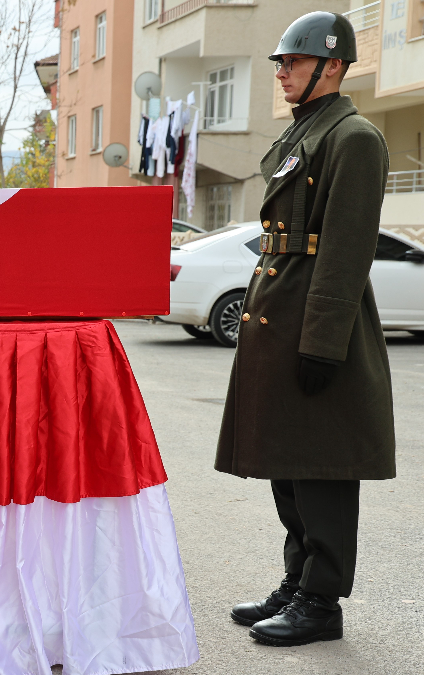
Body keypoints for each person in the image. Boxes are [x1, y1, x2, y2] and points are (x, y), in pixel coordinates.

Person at [216, 11, 394, 648]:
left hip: (317, 322)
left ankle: (321, 602)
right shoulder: (305, 131)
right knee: (288, 467)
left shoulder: (354, 138)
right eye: (281, 62)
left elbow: (346, 251)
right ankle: (297, 582)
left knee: (322, 469)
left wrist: (322, 342)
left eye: (293, 61)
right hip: (280, 315)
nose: (282, 72)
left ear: (333, 65)